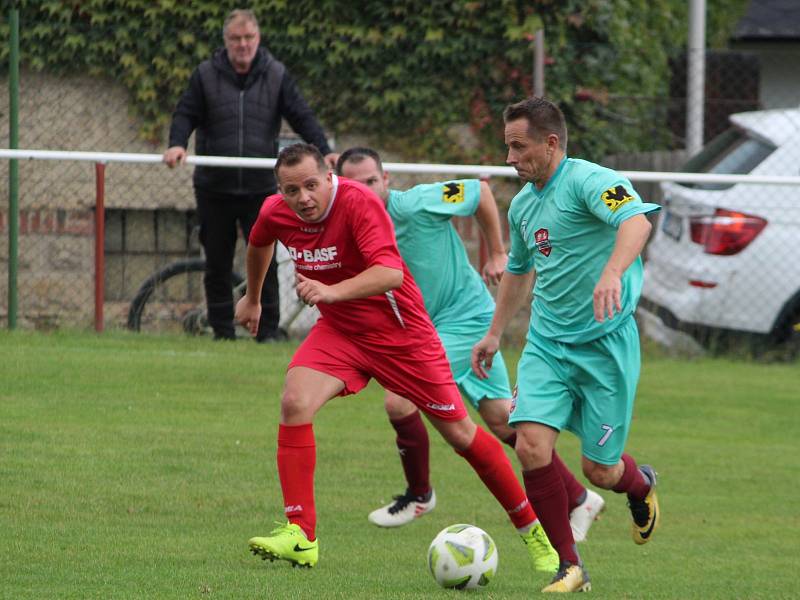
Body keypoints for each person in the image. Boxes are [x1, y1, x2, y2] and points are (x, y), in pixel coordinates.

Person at [235, 143, 558, 575]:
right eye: (291, 191)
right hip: (342, 332)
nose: (303, 199)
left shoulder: (359, 203)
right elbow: (259, 242)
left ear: (328, 177)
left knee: (462, 435)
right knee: (295, 402)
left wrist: (331, 291)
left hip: (402, 335)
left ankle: (534, 534)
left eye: (311, 186)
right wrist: (252, 298)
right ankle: (301, 535)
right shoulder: (277, 210)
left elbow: (391, 273)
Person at [335, 147, 604, 542]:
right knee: (500, 418)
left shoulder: (417, 203)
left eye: (372, 181)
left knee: (400, 400)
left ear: (386, 179)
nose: (366, 191)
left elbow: (479, 192)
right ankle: (579, 498)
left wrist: (496, 252)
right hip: (432, 328)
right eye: (355, 185)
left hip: (466, 321)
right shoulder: (352, 227)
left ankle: (419, 494)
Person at [472, 97, 662, 593]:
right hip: (547, 345)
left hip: (605, 347)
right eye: (506, 146)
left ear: (551, 143)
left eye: (519, 146)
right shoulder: (523, 205)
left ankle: (640, 485)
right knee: (531, 447)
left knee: (599, 471)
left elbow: (636, 221)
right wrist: (494, 332)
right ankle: (569, 566)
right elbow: (517, 273)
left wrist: (612, 272)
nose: (510, 158)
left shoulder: (589, 181)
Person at [163, 8, 337, 342]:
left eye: (249, 38)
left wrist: (325, 149)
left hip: (261, 188)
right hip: (214, 186)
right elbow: (185, 112)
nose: (243, 45)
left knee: (266, 260)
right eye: (236, 39)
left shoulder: (276, 74)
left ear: (258, 39)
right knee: (216, 260)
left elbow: (301, 114)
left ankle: (267, 332)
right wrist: (176, 144)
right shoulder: (205, 75)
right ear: (225, 41)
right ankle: (222, 330)